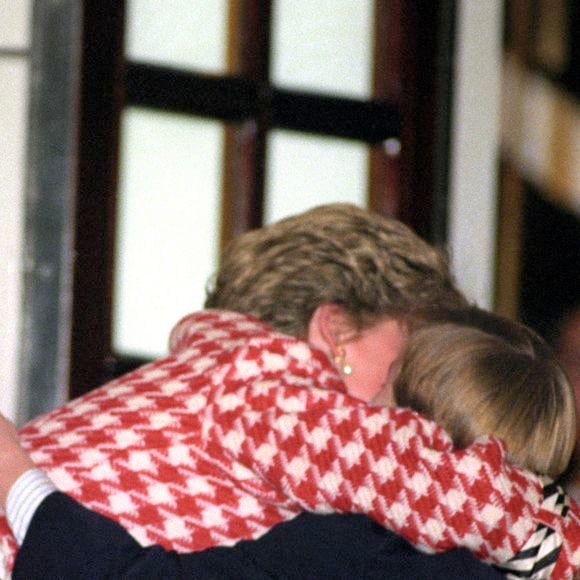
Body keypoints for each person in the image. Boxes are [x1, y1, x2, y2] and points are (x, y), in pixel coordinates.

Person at [0, 306, 577, 577]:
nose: (355, 399)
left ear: (413, 429)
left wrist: (18, 482)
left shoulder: (354, 552)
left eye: (389, 381)